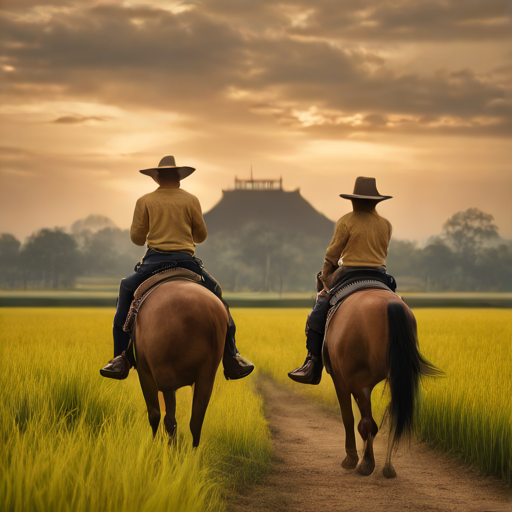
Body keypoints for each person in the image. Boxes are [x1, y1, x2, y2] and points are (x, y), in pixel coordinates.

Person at [100, 155, 254, 380]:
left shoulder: (145, 201)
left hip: (154, 263)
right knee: (216, 292)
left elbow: (136, 238)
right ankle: (232, 355)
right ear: (179, 179)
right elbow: (201, 236)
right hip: (186, 262)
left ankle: (120, 357)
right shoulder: (191, 200)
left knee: (125, 289)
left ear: (158, 178)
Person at [288, 176, 393, 385]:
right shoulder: (386, 224)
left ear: (355, 200)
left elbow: (332, 255)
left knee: (320, 307)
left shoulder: (347, 220)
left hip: (349, 273)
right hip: (380, 275)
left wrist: (325, 276)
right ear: (375, 202)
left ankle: (312, 362)